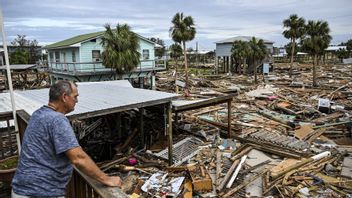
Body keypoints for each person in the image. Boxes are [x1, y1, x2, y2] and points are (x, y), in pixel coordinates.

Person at [12, 80, 122, 197]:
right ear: (64, 97)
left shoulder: (38, 114)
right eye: (75, 97)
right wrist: (106, 179)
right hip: (40, 192)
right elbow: (78, 158)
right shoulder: (57, 120)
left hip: (21, 189)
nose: (77, 101)